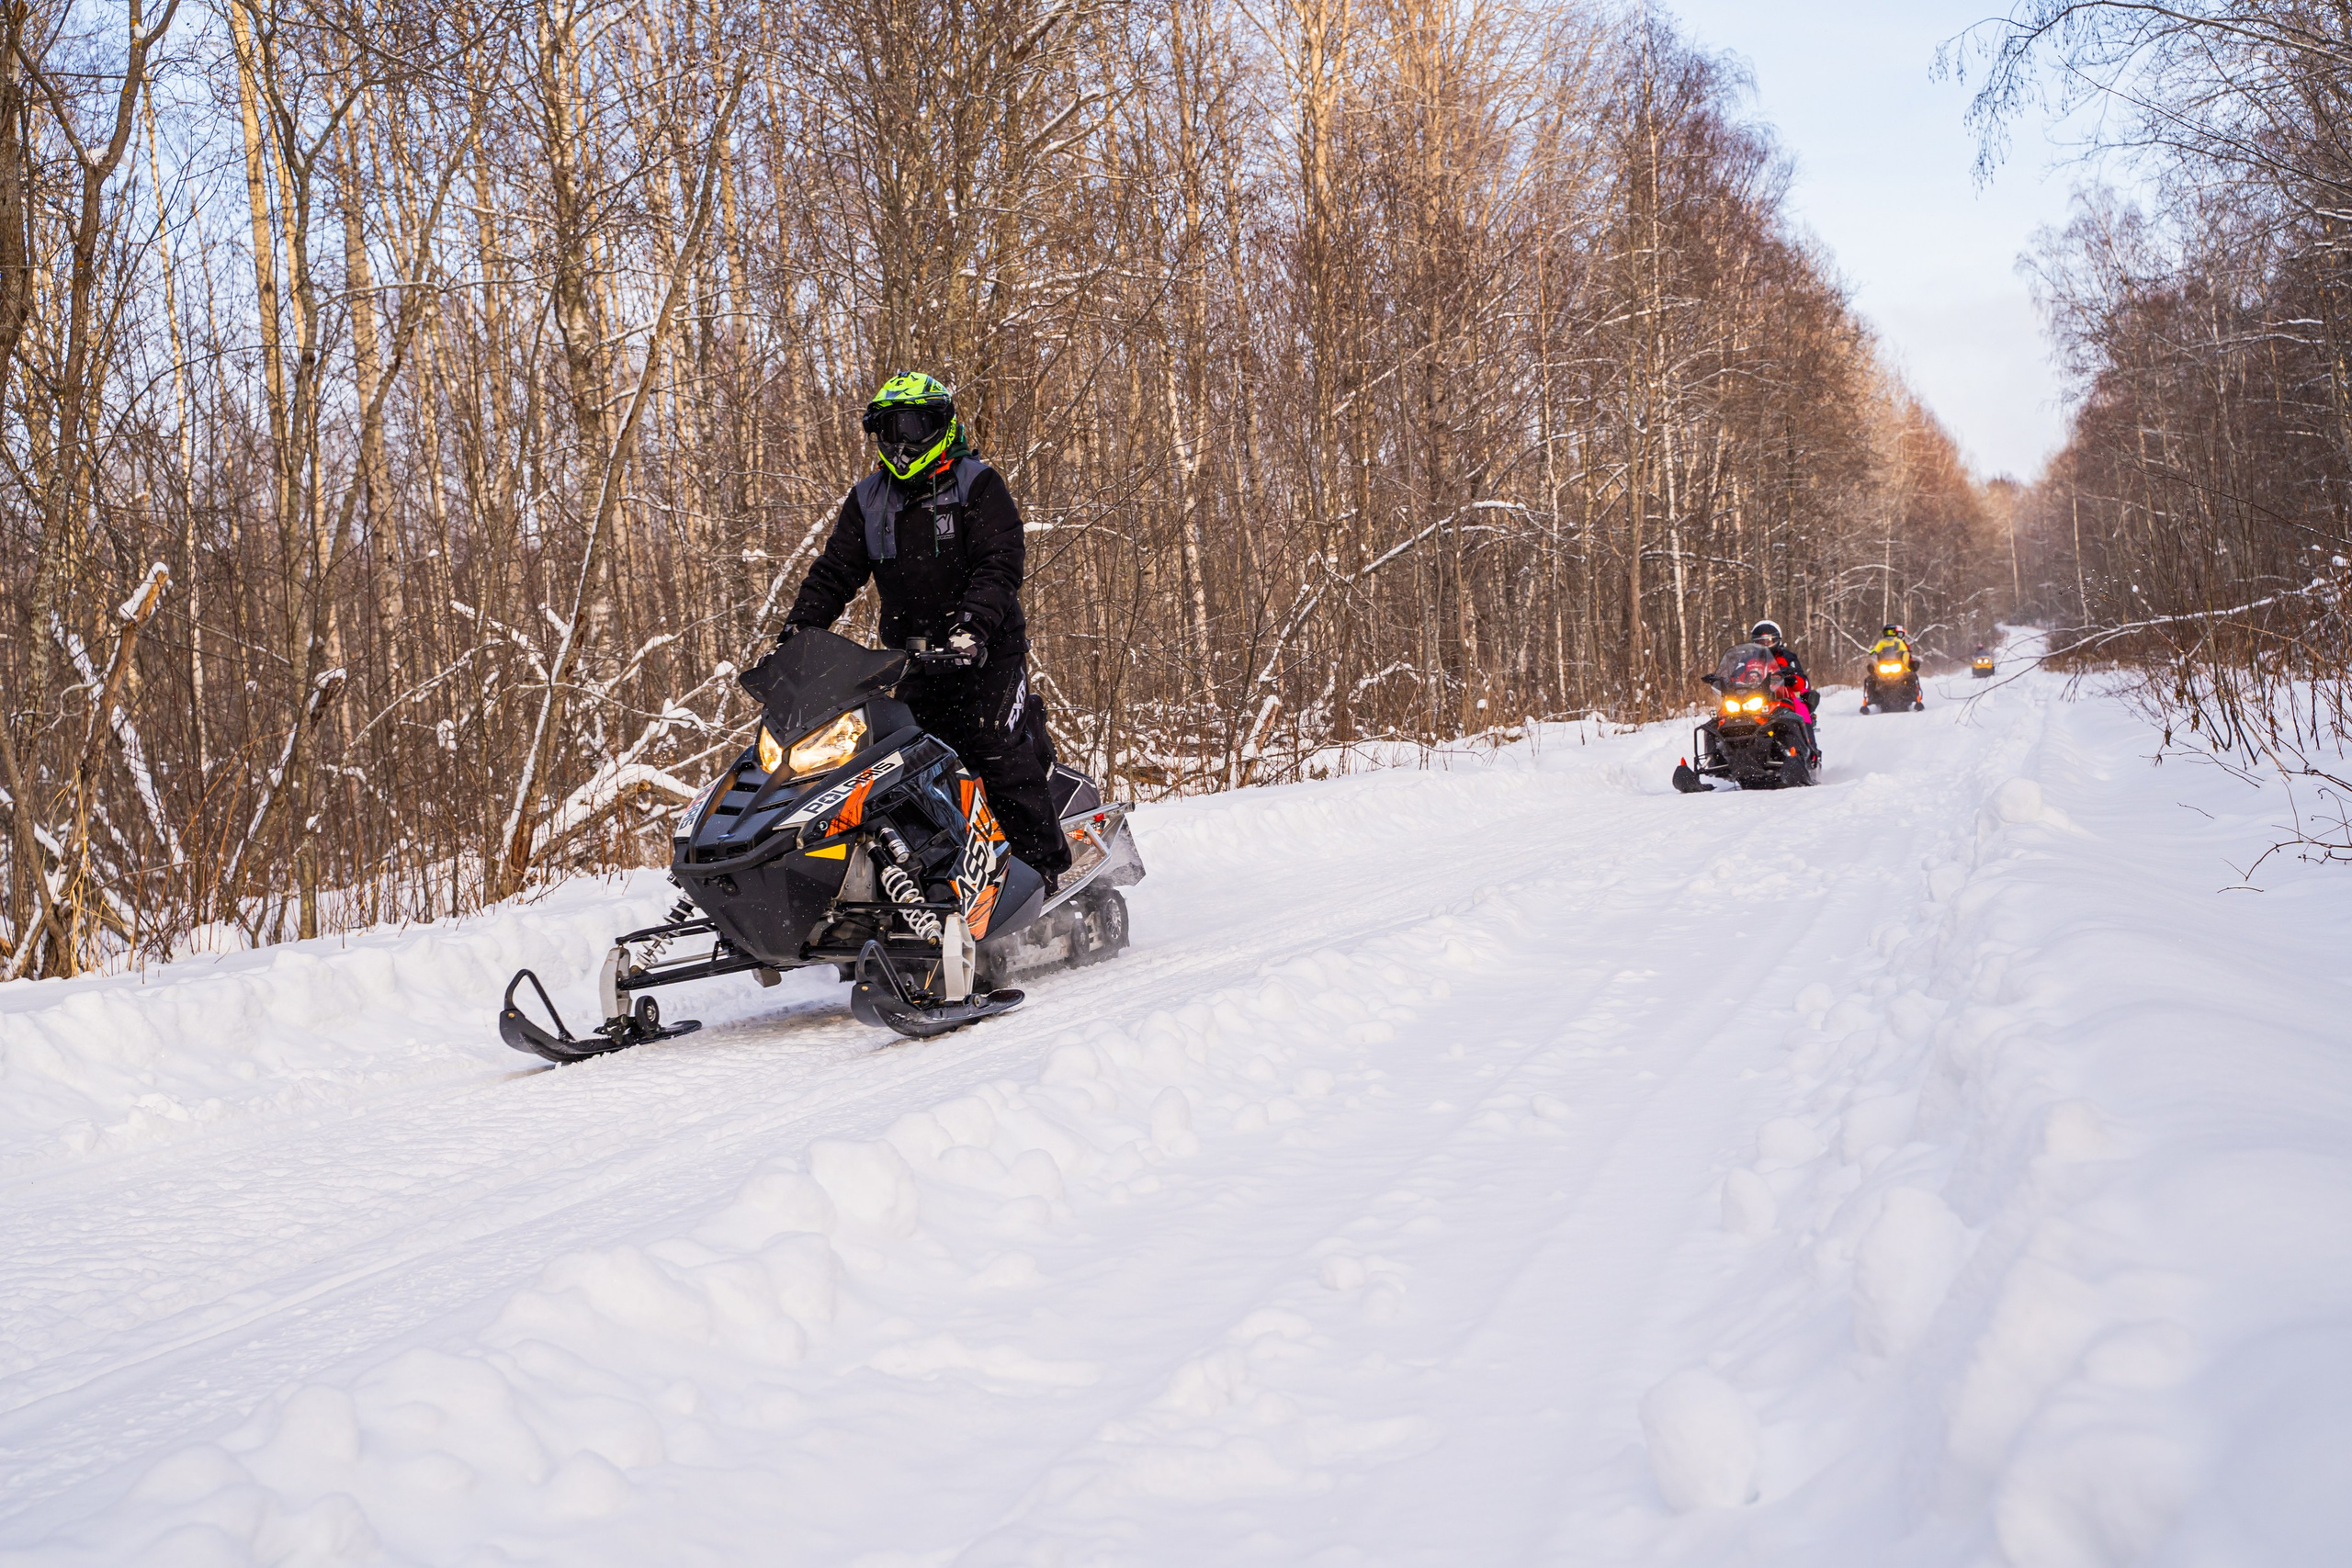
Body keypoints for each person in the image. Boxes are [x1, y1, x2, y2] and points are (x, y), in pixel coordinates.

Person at [777, 372, 1073, 885]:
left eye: (916, 425)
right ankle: (928, 884)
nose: (904, 440)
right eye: (892, 429)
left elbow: (999, 563)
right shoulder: (868, 500)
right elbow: (835, 572)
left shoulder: (977, 484)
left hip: (986, 654)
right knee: (899, 770)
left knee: (995, 749)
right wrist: (800, 632)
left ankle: (1045, 873)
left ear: (942, 424)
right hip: (913, 661)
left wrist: (972, 625)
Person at [1747, 618, 1820, 760]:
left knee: (1801, 711)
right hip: (1753, 699)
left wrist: (1792, 679)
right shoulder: (1749, 660)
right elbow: (1737, 675)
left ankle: (1811, 751)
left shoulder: (1787, 657)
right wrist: (1723, 681)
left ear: (1777, 640)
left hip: (1783, 697)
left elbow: (1802, 681)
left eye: (1768, 641)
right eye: (1760, 642)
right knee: (1726, 716)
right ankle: (1719, 756)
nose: (1765, 645)